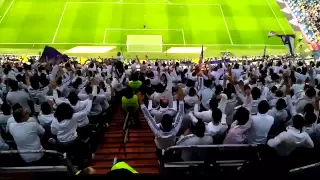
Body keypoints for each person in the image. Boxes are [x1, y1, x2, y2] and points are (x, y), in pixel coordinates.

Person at [138, 88, 184, 159]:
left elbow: (148, 116)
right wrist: (181, 100)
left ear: (161, 123)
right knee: (170, 155)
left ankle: (159, 159)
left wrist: (141, 102)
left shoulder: (156, 129)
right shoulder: (175, 128)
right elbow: (180, 114)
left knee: (159, 155)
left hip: (159, 147)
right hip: (171, 146)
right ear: (172, 122)